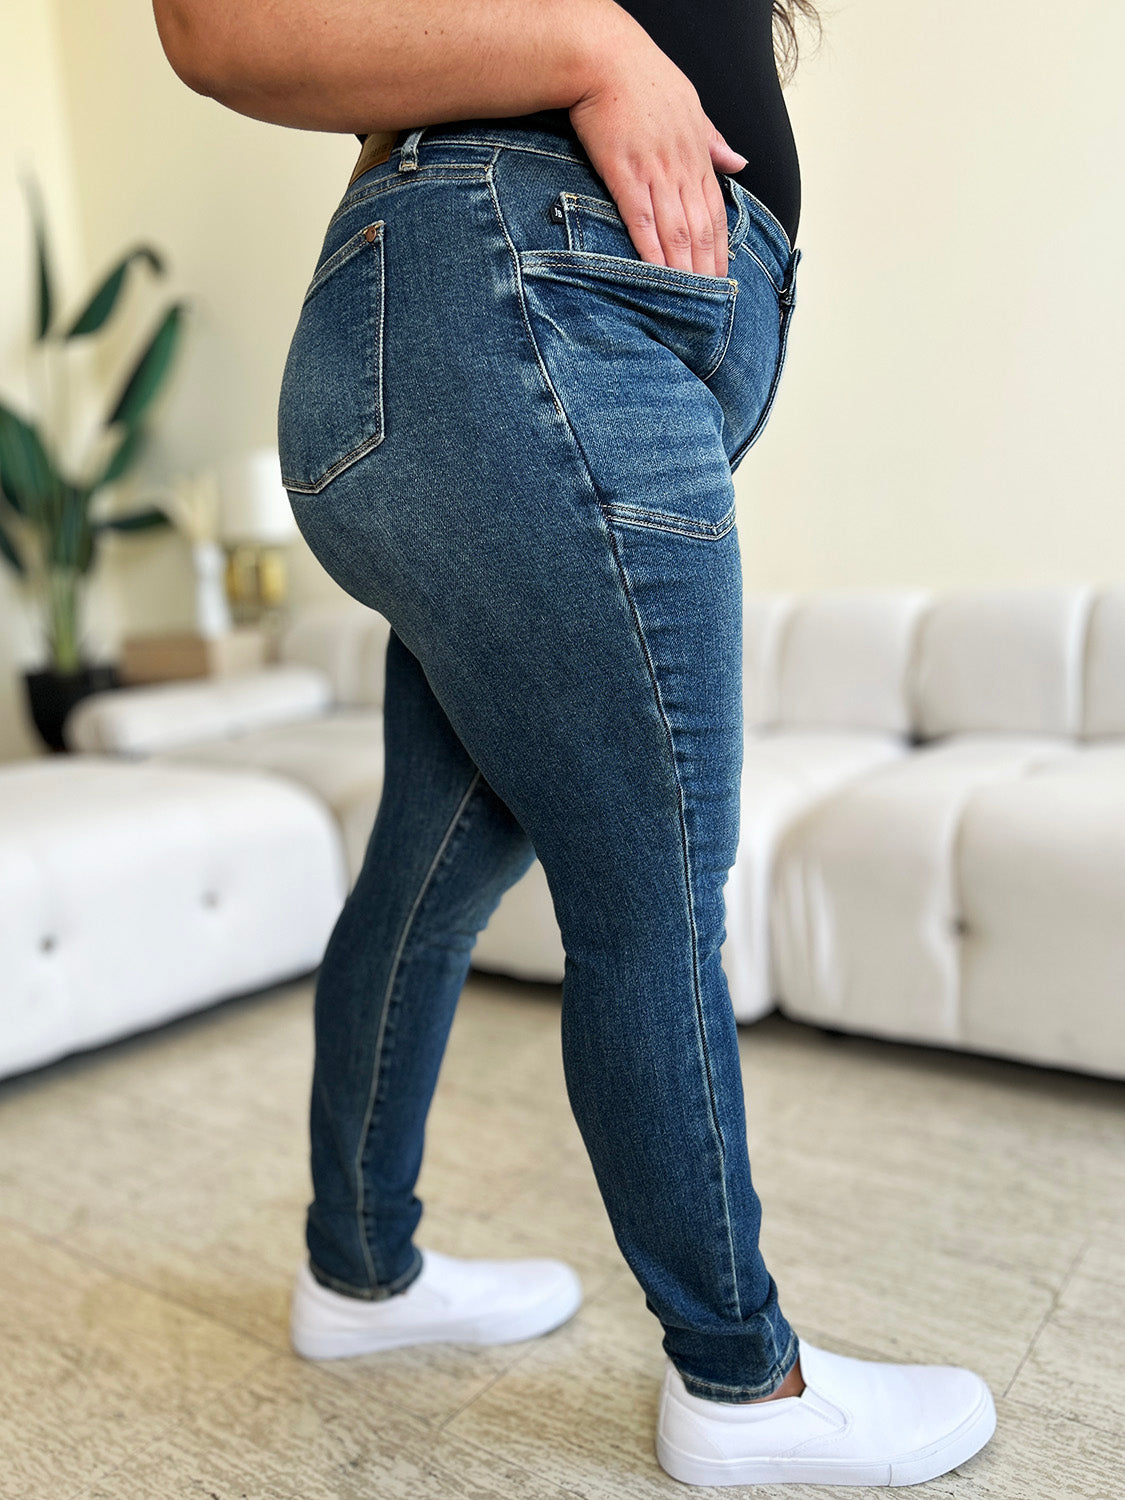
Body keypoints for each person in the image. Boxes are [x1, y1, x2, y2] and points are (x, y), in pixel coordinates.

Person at [154, 0, 998, 1485]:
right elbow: (219, 23)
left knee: (430, 868)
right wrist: (597, 53)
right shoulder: (569, 64)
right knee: (654, 878)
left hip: (490, 325)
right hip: (528, 313)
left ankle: (360, 1274)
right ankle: (745, 1386)